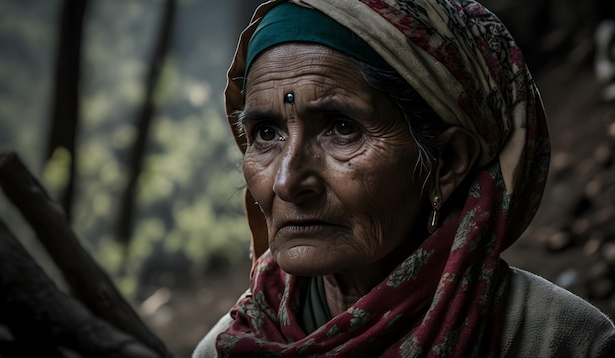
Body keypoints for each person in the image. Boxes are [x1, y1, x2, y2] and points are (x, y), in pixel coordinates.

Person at [195, 0, 615, 356]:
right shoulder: (226, 347)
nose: (286, 182)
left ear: (447, 162)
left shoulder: (559, 342)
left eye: (341, 128)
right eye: (266, 134)